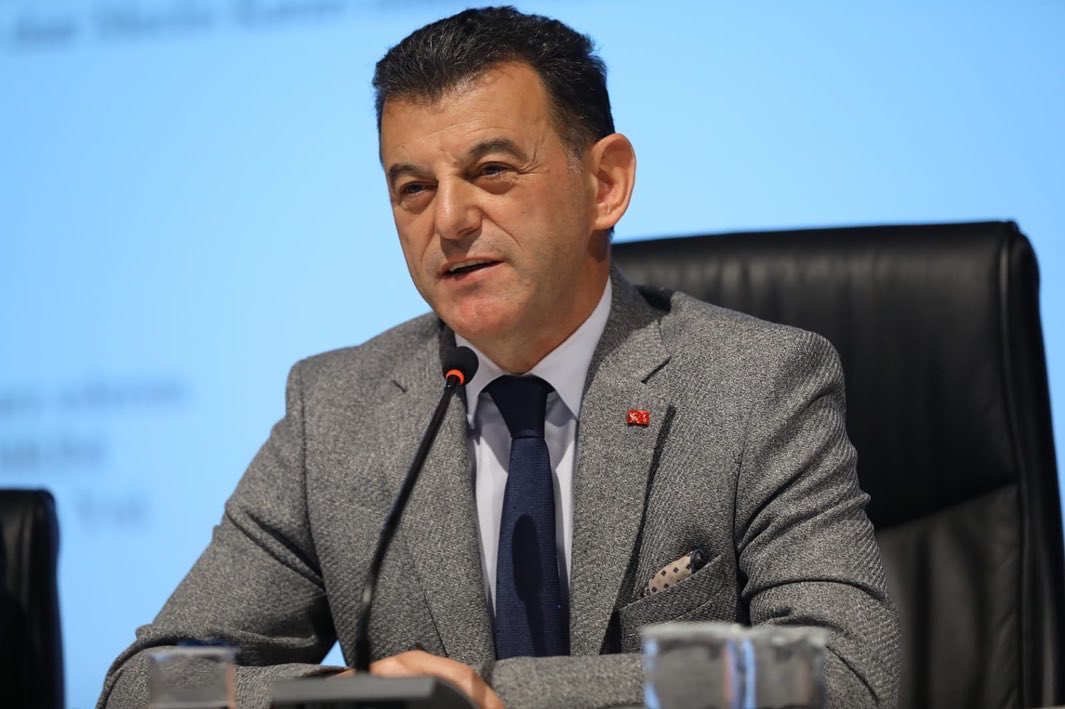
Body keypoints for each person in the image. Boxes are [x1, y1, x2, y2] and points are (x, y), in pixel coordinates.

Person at [99, 6, 900, 708]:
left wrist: (494, 695)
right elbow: (148, 684)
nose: (448, 220)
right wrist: (352, 697)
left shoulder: (753, 385)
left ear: (606, 183)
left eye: (490, 171)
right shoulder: (335, 412)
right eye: (413, 188)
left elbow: (839, 671)